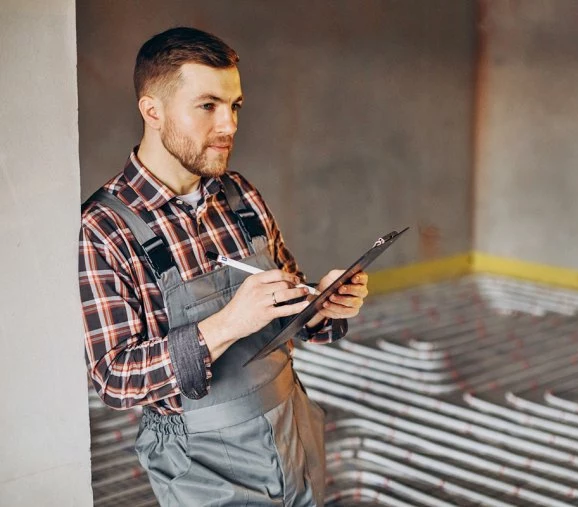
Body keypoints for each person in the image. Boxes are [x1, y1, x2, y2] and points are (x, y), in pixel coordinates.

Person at [79, 26, 369, 506]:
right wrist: (228, 323)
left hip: (290, 426)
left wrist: (321, 305)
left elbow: (284, 310)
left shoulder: (239, 194)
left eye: (234, 106)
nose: (229, 125)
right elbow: (114, 377)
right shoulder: (105, 227)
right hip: (201, 462)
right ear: (153, 110)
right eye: (208, 106)